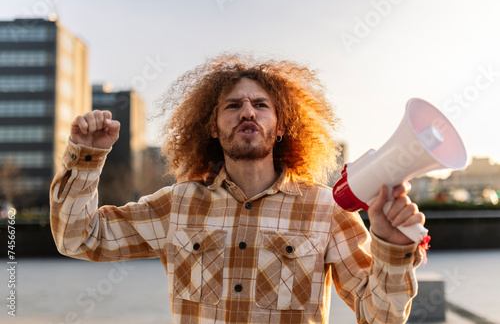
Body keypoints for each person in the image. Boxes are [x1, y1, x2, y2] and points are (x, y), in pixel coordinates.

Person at [50, 53, 425, 323]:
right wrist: (86, 157)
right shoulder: (177, 206)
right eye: (233, 106)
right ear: (212, 127)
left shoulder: (326, 210)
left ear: (280, 127)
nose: (247, 112)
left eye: (261, 105)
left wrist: (392, 248)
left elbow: (382, 318)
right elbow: (78, 238)